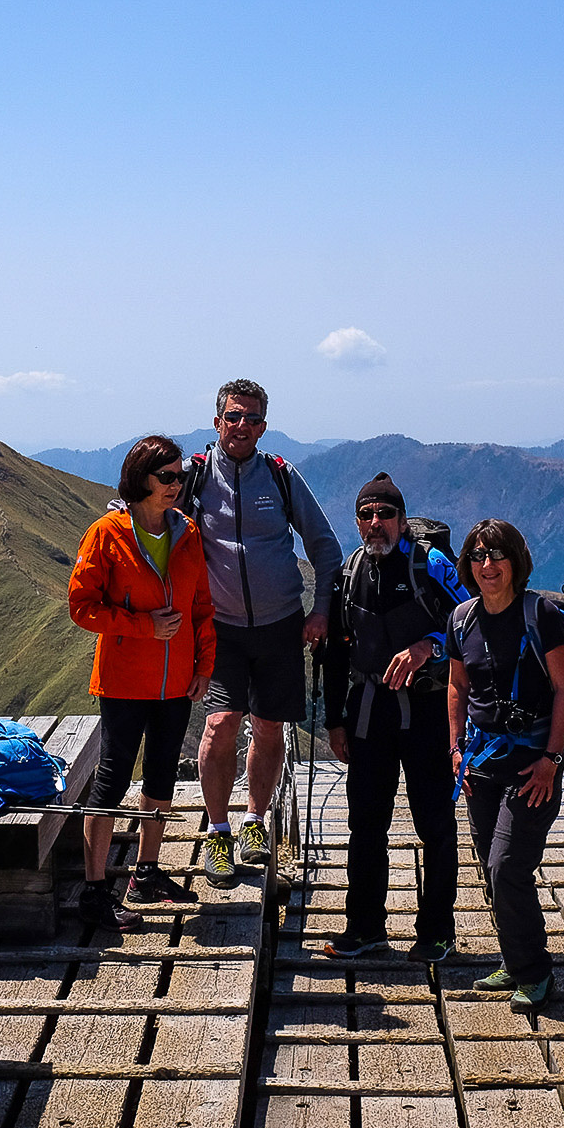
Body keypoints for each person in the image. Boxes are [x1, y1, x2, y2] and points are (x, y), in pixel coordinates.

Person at [180, 379, 343, 887]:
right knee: (220, 723)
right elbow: (150, 516)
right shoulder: (195, 477)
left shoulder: (280, 476)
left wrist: (320, 610)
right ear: (216, 422)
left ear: (264, 426)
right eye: (234, 417)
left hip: (280, 627)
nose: (242, 427)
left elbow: (325, 547)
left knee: (271, 728)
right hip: (220, 628)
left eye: (252, 419)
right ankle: (218, 830)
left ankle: (254, 821)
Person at [68, 435, 216, 931]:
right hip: (124, 680)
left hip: (176, 680)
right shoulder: (106, 533)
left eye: (181, 477)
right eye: (166, 477)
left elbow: (201, 606)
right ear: (140, 480)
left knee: (160, 776)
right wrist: (144, 626)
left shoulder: (188, 532)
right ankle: (94, 891)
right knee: (110, 781)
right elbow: (81, 607)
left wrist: (204, 667)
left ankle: (146, 873)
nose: (176, 486)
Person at [320, 474, 468, 961]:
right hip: (368, 713)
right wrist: (334, 722)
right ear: (358, 520)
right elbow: (336, 652)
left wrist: (430, 645)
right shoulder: (351, 571)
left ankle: (437, 933)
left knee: (435, 824)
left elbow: (473, 624)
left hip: (425, 709)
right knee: (365, 824)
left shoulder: (433, 564)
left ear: (403, 521)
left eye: (386, 514)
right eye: (368, 515)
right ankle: (364, 929)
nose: (377, 523)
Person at [445, 519, 564, 1009]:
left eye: (497, 555)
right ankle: (516, 958)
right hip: (480, 764)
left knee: (506, 865)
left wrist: (551, 759)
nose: (487, 565)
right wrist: (456, 749)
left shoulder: (540, 615)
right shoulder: (461, 619)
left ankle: (535, 973)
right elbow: (459, 688)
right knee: (491, 865)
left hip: (532, 766)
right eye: (478, 556)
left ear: (515, 561)